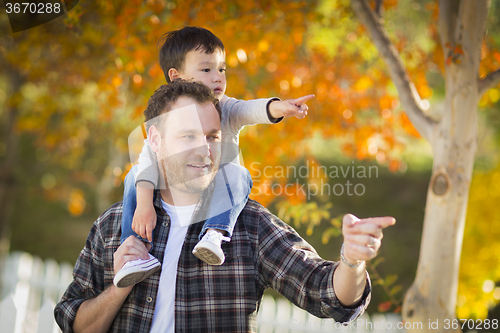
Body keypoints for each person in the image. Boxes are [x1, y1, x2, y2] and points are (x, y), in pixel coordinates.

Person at [54, 80, 395, 333]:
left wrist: (352, 262)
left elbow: (330, 296)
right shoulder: (114, 224)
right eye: (188, 136)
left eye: (213, 136)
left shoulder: (250, 225)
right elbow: (75, 324)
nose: (204, 149)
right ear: (155, 141)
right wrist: (120, 285)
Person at [114, 26, 315, 288]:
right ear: (176, 76)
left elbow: (250, 109)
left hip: (217, 188)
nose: (218, 77)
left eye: (222, 69)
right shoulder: (169, 113)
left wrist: (279, 107)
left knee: (239, 173)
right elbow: (146, 161)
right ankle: (135, 247)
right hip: (176, 182)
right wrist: (144, 205)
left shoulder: (226, 106)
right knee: (134, 175)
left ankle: (214, 234)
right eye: (207, 70)